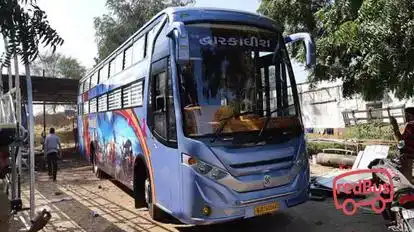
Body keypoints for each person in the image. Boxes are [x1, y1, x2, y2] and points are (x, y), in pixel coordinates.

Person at [390, 107, 414, 183]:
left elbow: (401, 141)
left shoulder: (410, 126)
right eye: (405, 115)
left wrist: (395, 126)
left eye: (407, 115)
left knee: (406, 177)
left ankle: (408, 191)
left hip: (408, 154)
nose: (405, 117)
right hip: (410, 153)